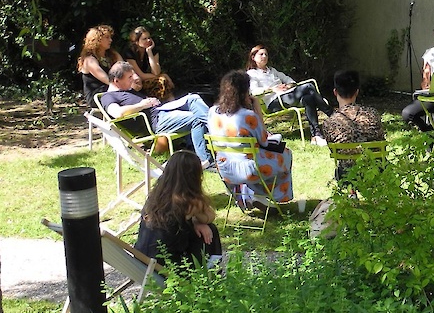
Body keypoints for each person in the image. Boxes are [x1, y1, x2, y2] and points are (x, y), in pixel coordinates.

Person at [101, 61, 213, 168]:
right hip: (157, 121)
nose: (133, 79)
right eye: (129, 77)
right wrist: (142, 105)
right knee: (195, 119)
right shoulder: (108, 97)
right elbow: (117, 113)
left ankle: (215, 130)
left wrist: (150, 101)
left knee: (193, 98)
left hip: (161, 110)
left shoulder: (127, 90)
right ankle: (205, 159)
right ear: (116, 81)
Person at [208, 70, 294, 204]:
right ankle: (274, 198)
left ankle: (250, 196)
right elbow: (264, 141)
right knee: (286, 154)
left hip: (224, 168)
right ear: (244, 91)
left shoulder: (212, 112)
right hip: (249, 170)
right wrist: (257, 110)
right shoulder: (248, 116)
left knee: (258, 157)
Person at [134, 150, 222, 267]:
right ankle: (211, 272)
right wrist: (198, 221)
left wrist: (195, 222)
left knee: (193, 230)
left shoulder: (157, 196)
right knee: (210, 230)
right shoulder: (189, 201)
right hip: (166, 265)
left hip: (142, 259)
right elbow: (209, 217)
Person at [246, 45, 334, 146]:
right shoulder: (252, 73)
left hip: (287, 96)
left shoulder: (272, 70)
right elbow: (254, 91)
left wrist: (288, 86)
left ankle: (316, 135)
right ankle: (331, 114)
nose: (264, 56)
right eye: (261, 54)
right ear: (253, 57)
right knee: (309, 86)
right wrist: (272, 89)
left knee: (308, 99)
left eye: (266, 54)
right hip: (274, 102)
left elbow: (289, 80)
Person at [322, 69, 385, 188]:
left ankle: (351, 195)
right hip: (376, 169)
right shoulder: (372, 114)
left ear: (335, 92)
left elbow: (334, 152)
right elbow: (381, 141)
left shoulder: (329, 122)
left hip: (348, 175)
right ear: (357, 92)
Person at [125, 26, 175, 101]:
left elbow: (156, 72)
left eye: (149, 38)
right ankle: (171, 102)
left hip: (148, 78)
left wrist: (149, 52)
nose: (148, 40)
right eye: (144, 39)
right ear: (136, 41)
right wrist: (161, 76)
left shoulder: (152, 50)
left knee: (162, 81)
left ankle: (173, 103)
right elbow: (140, 75)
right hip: (135, 81)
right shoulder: (129, 53)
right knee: (162, 80)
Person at [77, 24, 122, 107]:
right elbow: (107, 80)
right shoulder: (89, 60)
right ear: (97, 40)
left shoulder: (113, 55)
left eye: (110, 37)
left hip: (114, 88)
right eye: (107, 37)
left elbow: (125, 69)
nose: (111, 40)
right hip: (97, 94)